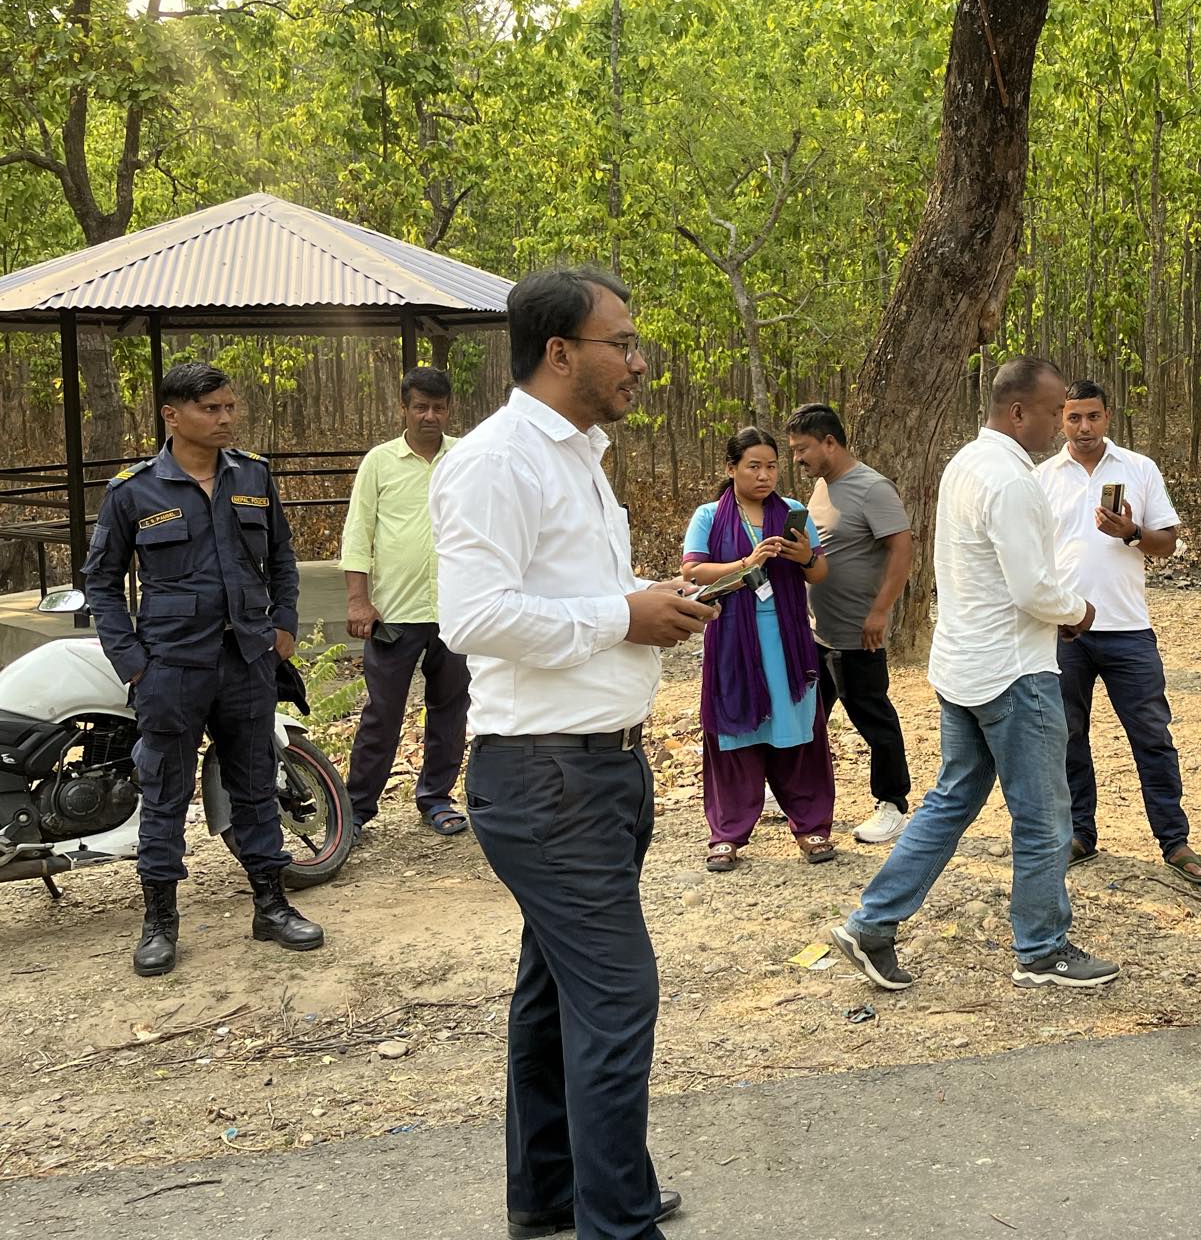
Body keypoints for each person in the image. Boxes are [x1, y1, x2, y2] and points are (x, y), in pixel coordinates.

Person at [432, 267, 715, 1240]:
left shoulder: (578, 456)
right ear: (560, 353)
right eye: (620, 343)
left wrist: (652, 595)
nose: (637, 362)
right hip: (545, 776)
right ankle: (617, 1222)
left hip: (597, 770)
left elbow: (567, 593)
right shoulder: (493, 460)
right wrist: (620, 613)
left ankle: (553, 1193)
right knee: (616, 996)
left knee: (556, 994)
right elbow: (473, 617)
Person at [831, 357, 1120, 992]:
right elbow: (1033, 589)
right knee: (1046, 819)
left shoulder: (967, 462)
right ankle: (1041, 949)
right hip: (1015, 674)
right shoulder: (1013, 482)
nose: (1059, 427)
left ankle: (871, 924)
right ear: (1018, 411)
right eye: (1051, 414)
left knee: (950, 801)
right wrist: (1079, 611)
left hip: (964, 665)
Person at [81, 360, 323, 977]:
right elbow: (102, 584)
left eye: (228, 408)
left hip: (247, 661)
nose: (224, 418)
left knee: (255, 785)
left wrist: (285, 626)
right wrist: (132, 662)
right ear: (172, 414)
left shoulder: (252, 476)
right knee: (165, 794)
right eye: (210, 409)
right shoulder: (132, 491)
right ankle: (160, 920)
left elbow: (284, 557)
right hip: (170, 666)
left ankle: (270, 906)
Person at [1037, 381, 1201, 886]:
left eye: (1093, 417)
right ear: (1060, 420)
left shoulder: (1139, 469)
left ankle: (1174, 841)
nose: (1084, 428)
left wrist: (1132, 534)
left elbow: (1167, 545)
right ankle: (1078, 835)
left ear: (1108, 416)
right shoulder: (1041, 477)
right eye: (1073, 419)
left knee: (1152, 737)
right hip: (1064, 629)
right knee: (1067, 737)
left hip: (1128, 630)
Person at [682, 427, 837, 871]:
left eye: (771, 466)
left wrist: (805, 556)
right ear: (731, 469)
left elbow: (819, 573)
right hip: (732, 639)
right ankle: (727, 833)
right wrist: (747, 564)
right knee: (735, 735)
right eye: (754, 466)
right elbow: (693, 572)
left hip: (788, 642)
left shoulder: (792, 512)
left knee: (798, 733)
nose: (765, 475)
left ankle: (812, 827)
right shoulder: (709, 516)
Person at [339, 365, 471, 837]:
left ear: (449, 408)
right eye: (420, 407)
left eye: (438, 407)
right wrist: (359, 600)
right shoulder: (380, 461)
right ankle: (355, 809)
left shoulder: (466, 457)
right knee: (382, 714)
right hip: (394, 614)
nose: (430, 416)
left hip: (457, 610)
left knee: (451, 709)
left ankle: (436, 797)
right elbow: (358, 533)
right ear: (403, 409)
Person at [786, 402, 916, 845]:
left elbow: (902, 551)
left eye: (803, 449)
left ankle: (893, 803)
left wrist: (880, 611)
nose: (797, 459)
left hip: (859, 632)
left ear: (830, 442)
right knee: (807, 717)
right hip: (817, 631)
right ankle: (791, 791)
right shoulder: (821, 488)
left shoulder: (872, 487)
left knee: (872, 716)